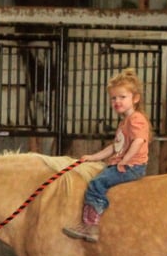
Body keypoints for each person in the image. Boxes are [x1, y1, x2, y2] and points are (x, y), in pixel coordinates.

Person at [63, 68, 151, 243]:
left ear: (135, 98)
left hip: (132, 167)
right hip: (125, 163)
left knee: (97, 183)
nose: (117, 101)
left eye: (122, 97)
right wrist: (93, 157)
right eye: (113, 98)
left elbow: (139, 142)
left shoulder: (137, 119)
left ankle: (91, 227)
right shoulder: (124, 122)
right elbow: (114, 147)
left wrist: (124, 162)